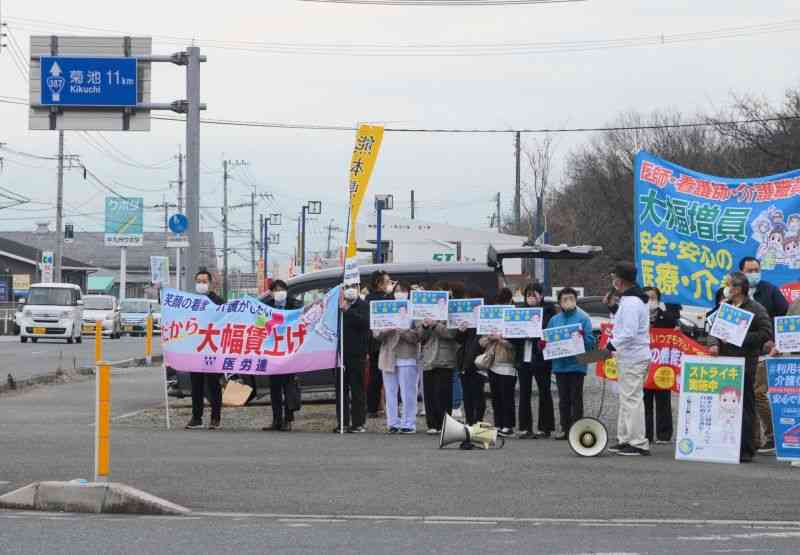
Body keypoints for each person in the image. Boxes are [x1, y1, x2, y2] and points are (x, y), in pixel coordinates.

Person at [708, 271, 773, 463]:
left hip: (745, 362)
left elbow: (766, 333)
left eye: (730, 285)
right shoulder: (725, 307)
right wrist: (714, 343)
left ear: (738, 289)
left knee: (745, 406)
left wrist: (741, 336)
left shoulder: (756, 308)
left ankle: (746, 447)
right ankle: (725, 445)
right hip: (725, 363)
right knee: (725, 405)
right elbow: (713, 328)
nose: (727, 289)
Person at [739, 256, 789, 454]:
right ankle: (752, 439)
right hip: (739, 353)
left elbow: (786, 316)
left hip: (764, 351)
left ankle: (772, 436)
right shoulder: (734, 293)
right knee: (745, 397)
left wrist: (778, 342)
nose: (754, 274)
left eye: (756, 269)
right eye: (749, 270)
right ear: (741, 272)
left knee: (759, 394)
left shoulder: (769, 290)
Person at [607, 262, 651, 456]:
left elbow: (630, 332)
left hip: (634, 356)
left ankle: (638, 442)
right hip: (629, 356)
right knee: (627, 399)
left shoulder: (632, 301)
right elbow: (625, 324)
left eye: (614, 276)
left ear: (620, 279)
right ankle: (625, 438)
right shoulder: (630, 299)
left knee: (632, 399)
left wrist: (611, 344)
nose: (612, 280)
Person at [546, 287, 595, 440]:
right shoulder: (554, 320)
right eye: (565, 299)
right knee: (563, 399)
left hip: (577, 364)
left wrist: (581, 337)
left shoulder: (583, 318)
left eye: (571, 299)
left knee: (576, 398)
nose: (568, 302)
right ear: (560, 302)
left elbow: (591, 343)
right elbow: (547, 340)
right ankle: (565, 429)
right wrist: (543, 343)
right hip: (560, 365)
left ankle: (577, 430)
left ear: (576, 301)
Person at [374, 282, 419, 434]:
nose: (400, 293)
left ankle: (409, 423)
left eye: (403, 290)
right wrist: (385, 330)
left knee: (408, 392)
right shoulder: (386, 308)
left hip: (407, 354)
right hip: (388, 355)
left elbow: (418, 336)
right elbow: (376, 334)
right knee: (390, 391)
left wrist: (404, 330)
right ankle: (392, 422)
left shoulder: (414, 310)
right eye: (397, 290)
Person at [513, 282, 556, 439]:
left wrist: (533, 332)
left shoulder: (549, 312)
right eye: (528, 295)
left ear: (541, 295)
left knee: (544, 392)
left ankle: (545, 427)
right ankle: (525, 427)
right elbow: (512, 334)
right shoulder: (520, 311)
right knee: (524, 392)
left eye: (534, 294)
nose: (531, 297)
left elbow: (548, 331)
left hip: (541, 358)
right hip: (523, 357)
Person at [185, 269, 226, 430]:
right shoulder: (191, 301)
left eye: (204, 281)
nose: (201, 284)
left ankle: (215, 418)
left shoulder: (218, 301)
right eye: (199, 281)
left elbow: (225, 322)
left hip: (212, 349)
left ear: (210, 283)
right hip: (195, 349)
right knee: (196, 385)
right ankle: (197, 418)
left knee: (213, 384)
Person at [261, 280, 302, 432]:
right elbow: (260, 324)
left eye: (282, 289)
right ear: (271, 292)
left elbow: (301, 322)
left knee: (289, 387)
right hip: (273, 353)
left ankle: (288, 420)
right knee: (274, 388)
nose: (279, 292)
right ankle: (276, 419)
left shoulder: (295, 305)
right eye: (276, 290)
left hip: (290, 352)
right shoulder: (266, 306)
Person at [419, 283, 459, 435]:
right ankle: (432, 424)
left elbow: (451, 333)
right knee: (429, 393)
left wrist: (435, 325)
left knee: (443, 393)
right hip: (428, 357)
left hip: (445, 357)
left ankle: (444, 424)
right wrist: (424, 326)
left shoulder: (452, 312)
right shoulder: (424, 312)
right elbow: (419, 336)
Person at [642, 287, 678, 445]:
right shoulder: (638, 317)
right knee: (644, 400)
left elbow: (676, 339)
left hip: (662, 365)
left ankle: (664, 435)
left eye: (653, 297)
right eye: (647, 297)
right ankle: (645, 433)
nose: (650, 301)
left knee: (663, 400)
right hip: (643, 364)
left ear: (658, 300)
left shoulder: (668, 318)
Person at [480, 288, 518, 437]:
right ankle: (499, 424)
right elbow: (481, 341)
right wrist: (490, 337)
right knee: (496, 397)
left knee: (507, 396)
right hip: (492, 364)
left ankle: (508, 426)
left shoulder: (515, 317)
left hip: (508, 364)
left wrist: (500, 339)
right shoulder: (490, 319)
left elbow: (515, 345)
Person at [337, 283, 371, 433]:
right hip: (339, 355)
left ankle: (358, 423)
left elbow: (365, 323)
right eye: (346, 286)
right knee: (341, 390)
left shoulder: (363, 305)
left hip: (357, 354)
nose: (350, 289)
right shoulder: (336, 305)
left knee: (357, 389)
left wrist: (348, 311)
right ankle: (342, 422)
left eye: (353, 286)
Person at [455, 288, 487, 426]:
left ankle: (478, 421)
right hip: (464, 361)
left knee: (478, 394)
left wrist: (484, 341)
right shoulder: (466, 320)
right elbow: (459, 340)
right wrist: (461, 331)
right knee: (467, 395)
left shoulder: (485, 319)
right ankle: (469, 422)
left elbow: (484, 342)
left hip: (478, 362)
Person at [366, 271, 394, 418]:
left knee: (385, 376)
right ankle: (373, 407)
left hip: (391, 341)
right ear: (379, 283)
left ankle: (384, 407)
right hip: (377, 343)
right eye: (387, 281)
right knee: (376, 376)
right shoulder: (372, 300)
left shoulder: (389, 297)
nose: (390, 284)